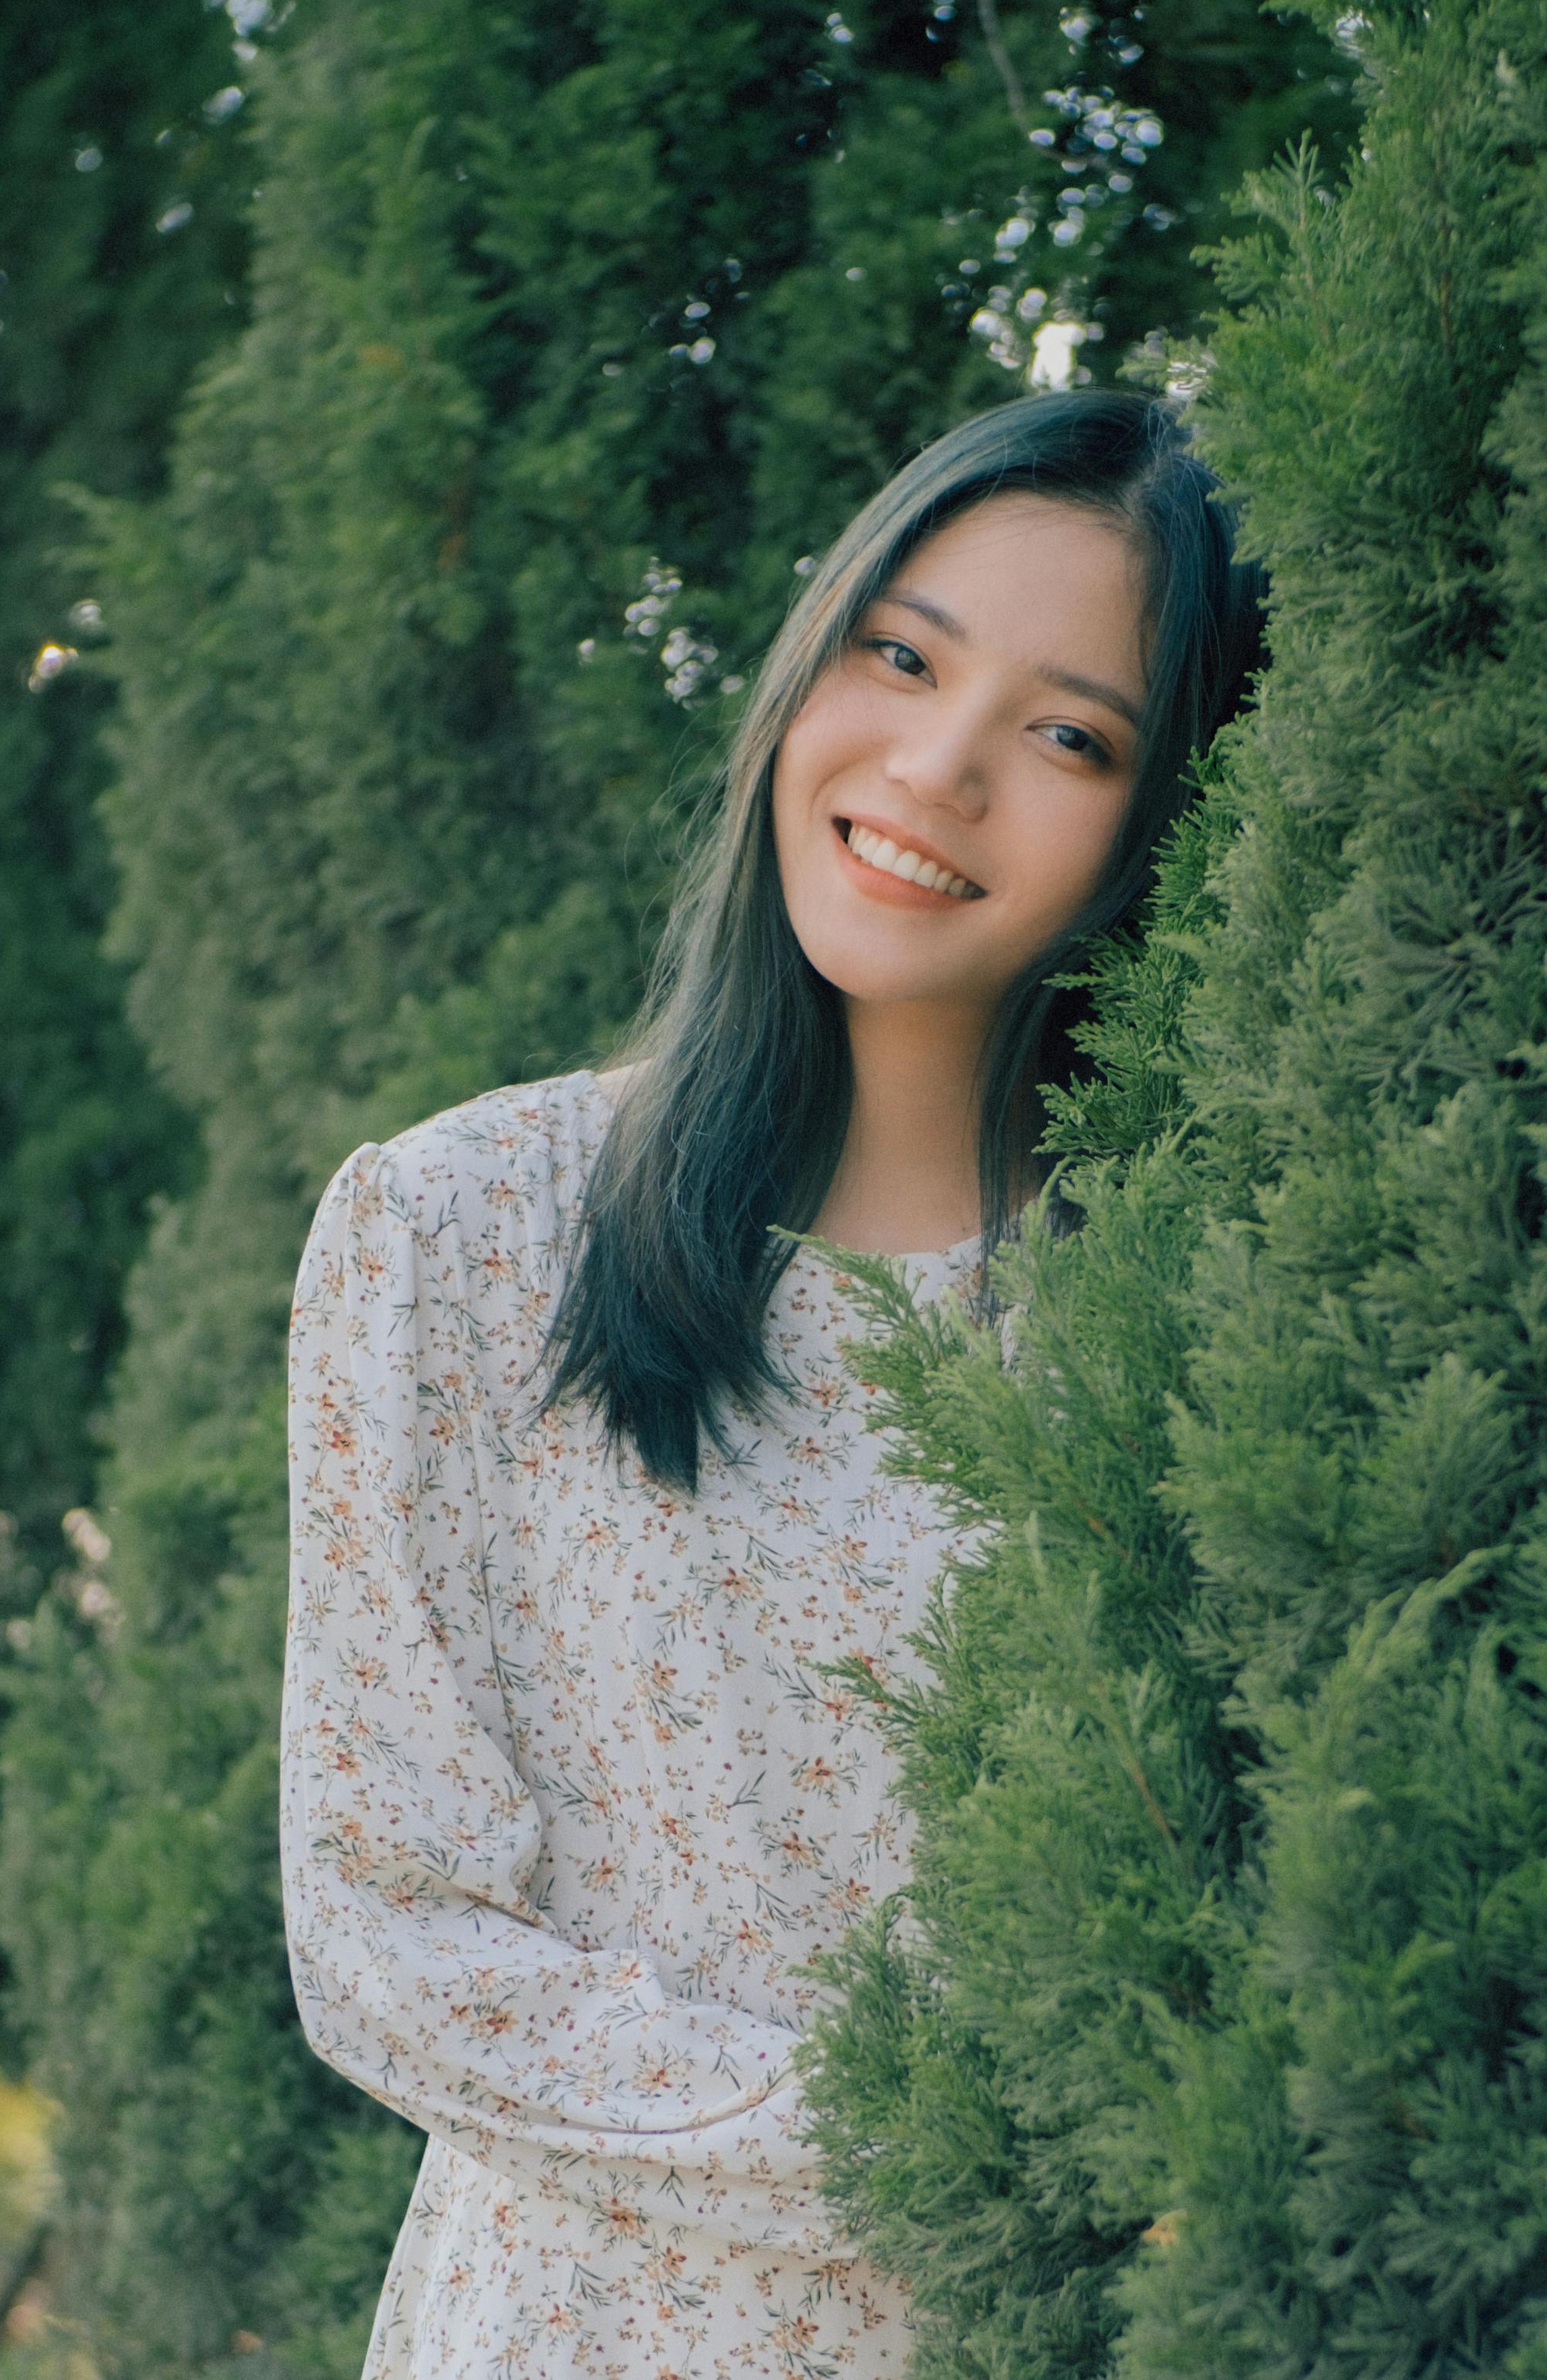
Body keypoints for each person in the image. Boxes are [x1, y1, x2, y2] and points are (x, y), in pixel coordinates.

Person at [279, 388, 1263, 2378]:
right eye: (900, 655)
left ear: (1160, 818)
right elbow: (392, 1938)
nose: (938, 766)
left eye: (1068, 735)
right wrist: (958, 2153)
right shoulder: (461, 1229)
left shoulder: (1212, 1323)